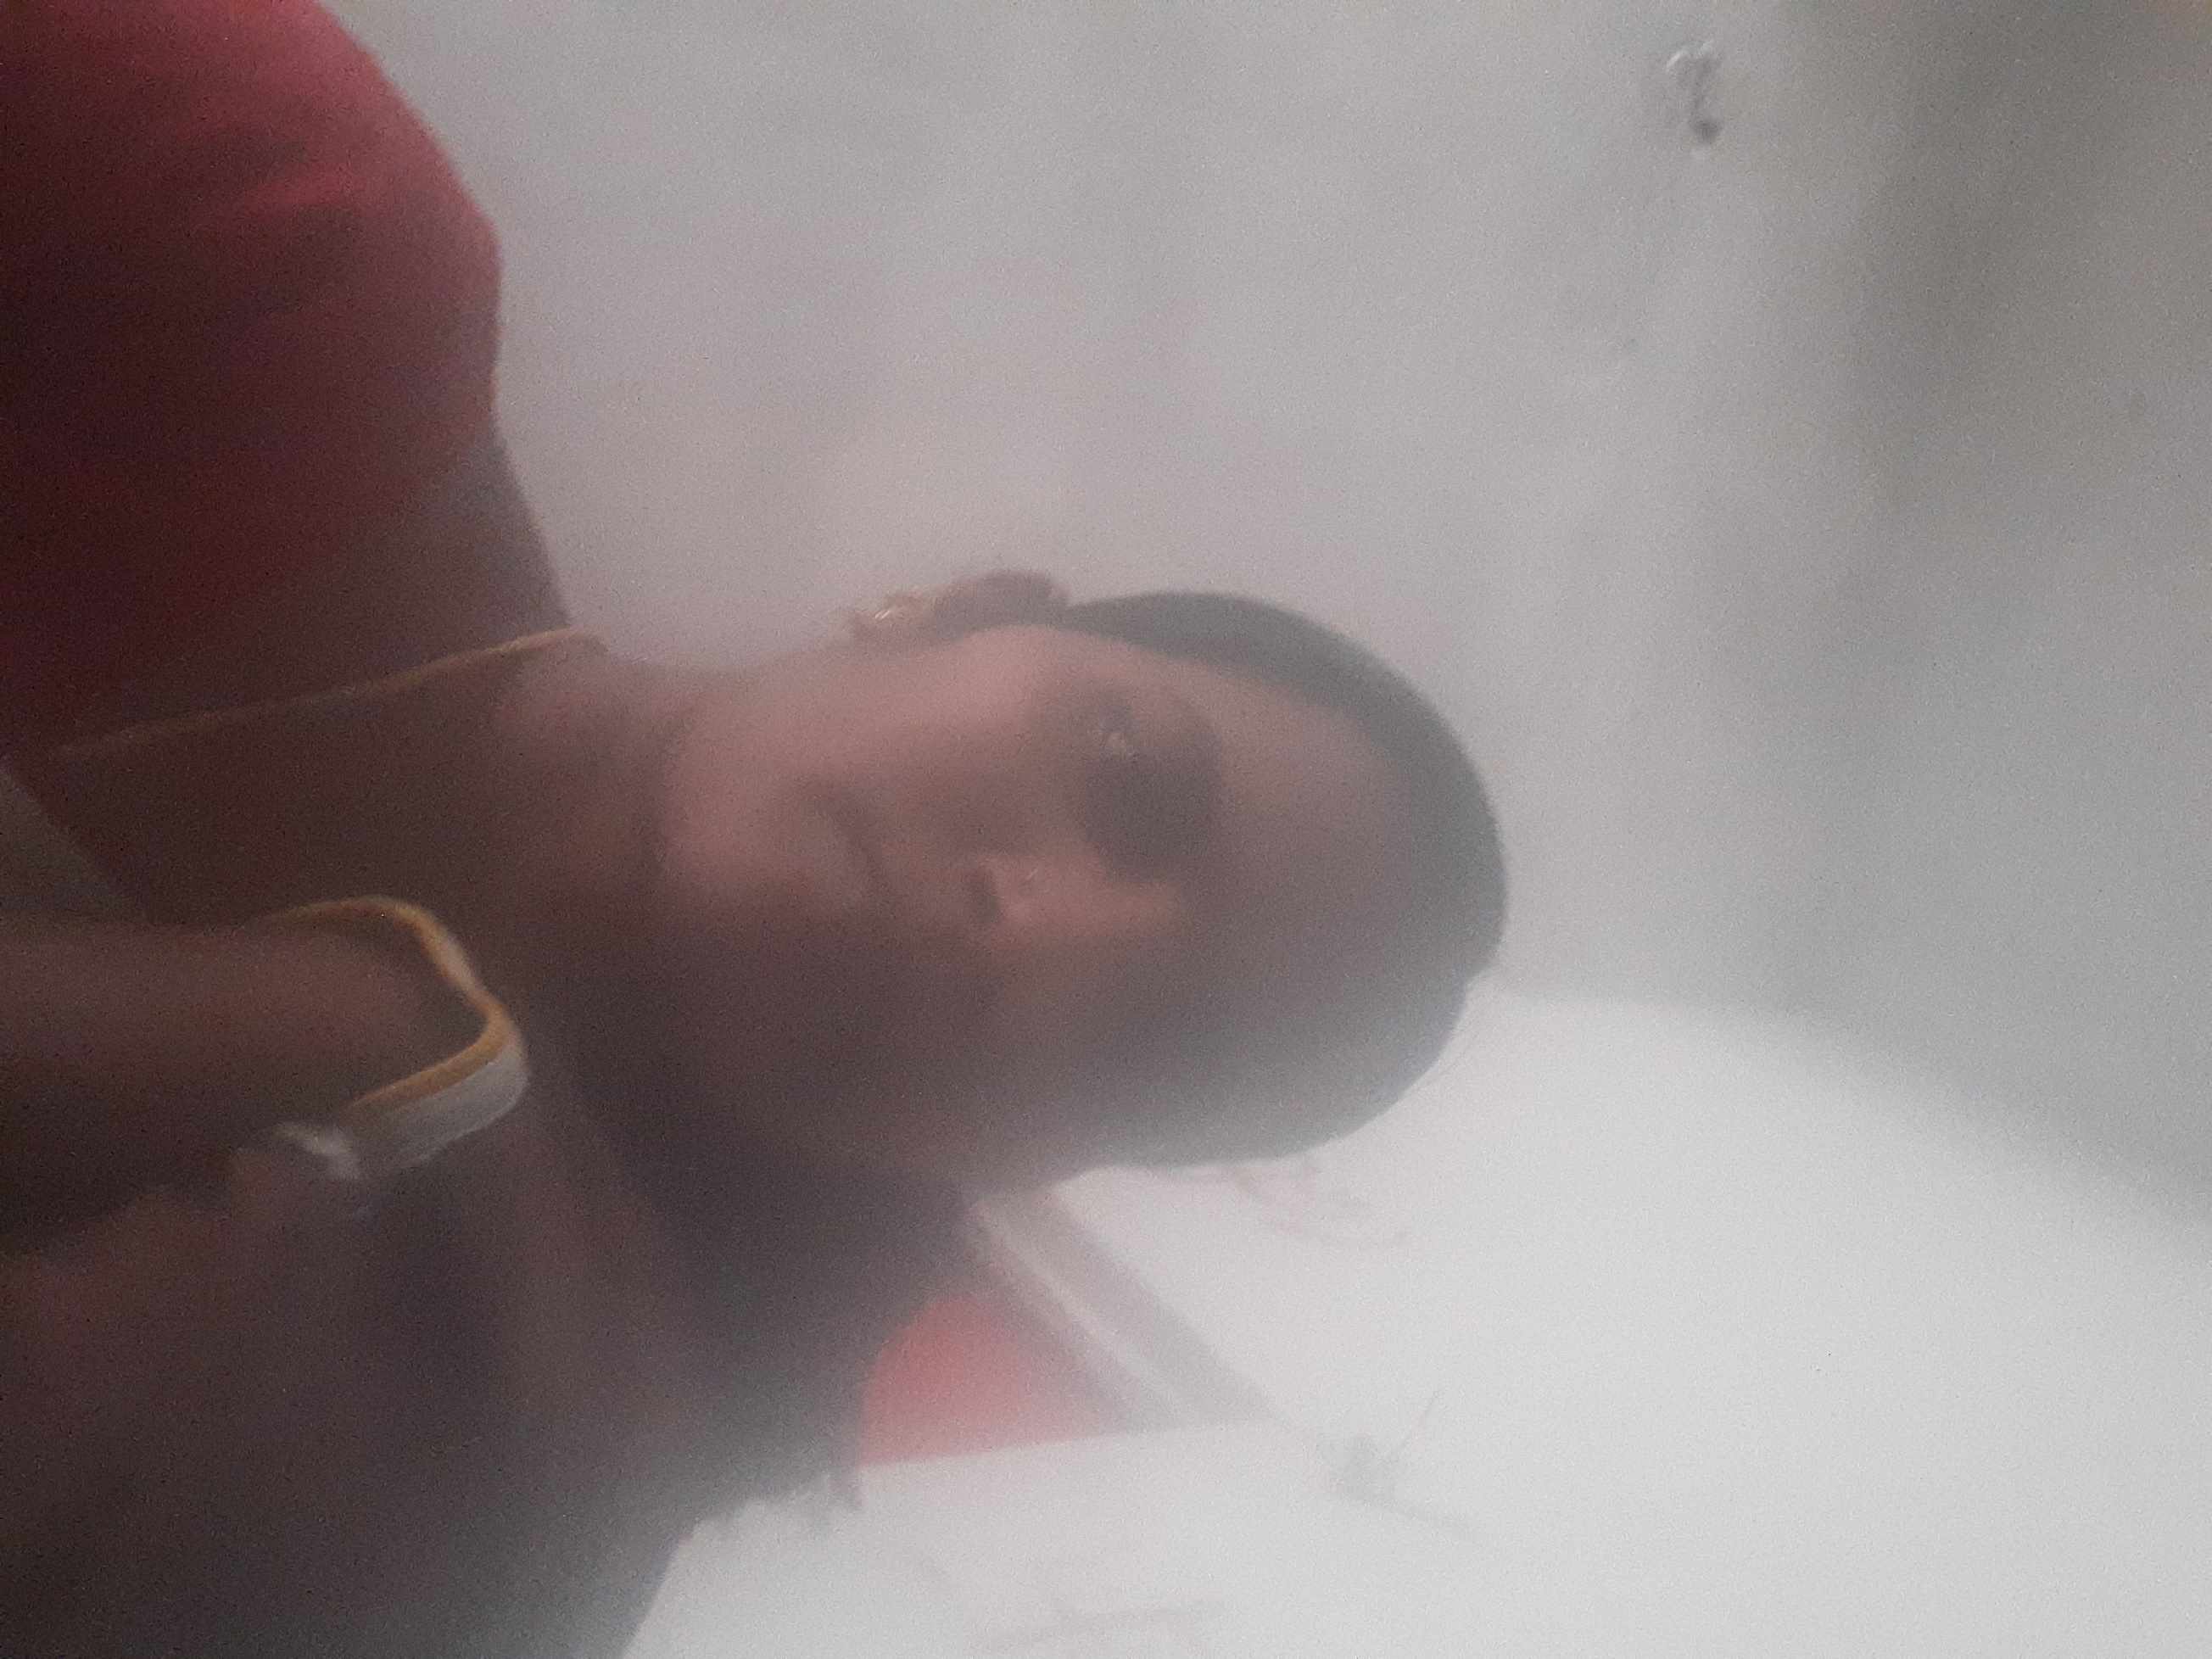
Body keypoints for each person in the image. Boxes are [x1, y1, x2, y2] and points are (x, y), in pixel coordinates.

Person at [0, 1, 1505, 1654]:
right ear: (958, 607)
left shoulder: (465, 1469)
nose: (1038, 938)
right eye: (1126, 781)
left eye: (1147, 1054)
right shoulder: (265, 239)